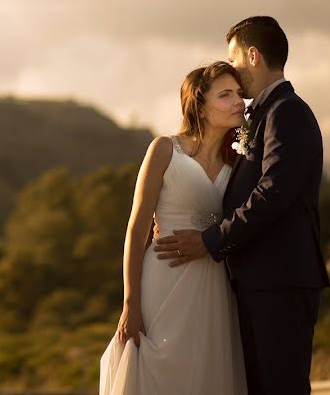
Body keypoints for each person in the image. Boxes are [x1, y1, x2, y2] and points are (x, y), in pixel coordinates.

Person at [153, 16, 330, 395]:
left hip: (280, 280)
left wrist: (210, 240)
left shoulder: (288, 112)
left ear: (252, 56)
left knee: (281, 386)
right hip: (257, 281)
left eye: (233, 61)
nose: (232, 72)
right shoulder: (262, 116)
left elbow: (273, 193)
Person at [99, 61, 248, 395]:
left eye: (239, 93)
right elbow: (137, 229)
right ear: (199, 104)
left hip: (215, 287)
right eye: (225, 95)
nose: (238, 101)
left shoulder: (238, 164)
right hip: (163, 282)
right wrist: (130, 304)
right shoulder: (165, 149)